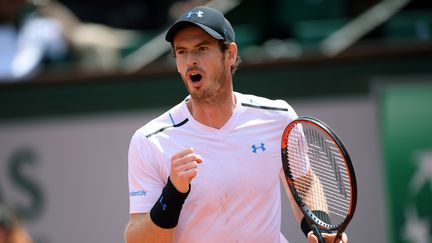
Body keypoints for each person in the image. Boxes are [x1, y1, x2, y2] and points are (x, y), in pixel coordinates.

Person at [124, 6, 349, 243]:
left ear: (229, 54)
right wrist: (172, 194)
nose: (191, 61)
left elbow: (305, 183)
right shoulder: (150, 141)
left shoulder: (279, 117)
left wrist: (319, 227)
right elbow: (137, 239)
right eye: (182, 52)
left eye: (202, 49)